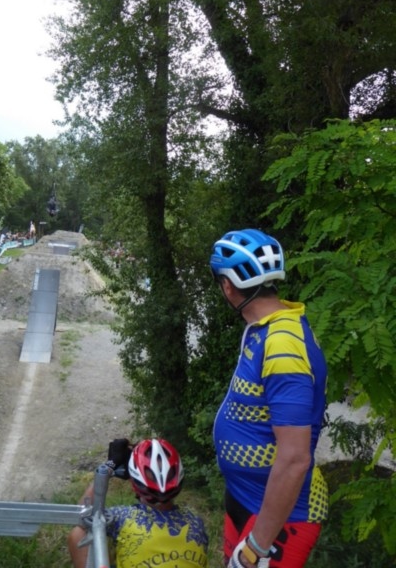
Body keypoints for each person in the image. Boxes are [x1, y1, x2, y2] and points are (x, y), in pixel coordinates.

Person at [209, 229, 328, 568]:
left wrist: (256, 547)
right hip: (245, 500)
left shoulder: (283, 343)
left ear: (227, 286)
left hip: (279, 521)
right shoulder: (265, 329)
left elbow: (294, 458)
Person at [67, 438, 209, 568]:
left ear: (133, 481)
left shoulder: (123, 518)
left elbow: (81, 514)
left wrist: (110, 465)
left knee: (78, 533)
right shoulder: (196, 522)